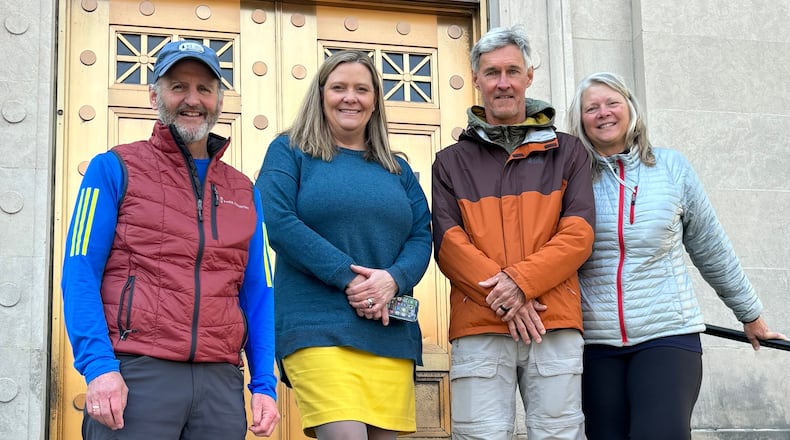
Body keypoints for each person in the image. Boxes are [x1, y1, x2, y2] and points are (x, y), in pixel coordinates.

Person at [61, 40, 280, 439]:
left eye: (204, 89)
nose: (192, 100)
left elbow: (259, 291)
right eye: (178, 86)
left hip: (219, 383)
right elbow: (79, 273)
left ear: (219, 101)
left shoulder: (245, 191)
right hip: (135, 374)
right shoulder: (112, 168)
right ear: (154, 95)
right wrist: (99, 367)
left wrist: (264, 384)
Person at [566, 71, 788, 439]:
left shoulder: (671, 168)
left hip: (667, 335)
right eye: (592, 108)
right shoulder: (571, 179)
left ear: (630, 109)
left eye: (612, 103)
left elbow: (711, 247)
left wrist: (750, 315)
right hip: (595, 342)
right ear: (580, 119)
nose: (603, 113)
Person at [254, 50, 431, 440]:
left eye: (361, 89)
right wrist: (349, 278)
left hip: (389, 333)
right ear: (321, 95)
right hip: (317, 327)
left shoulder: (398, 169)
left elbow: (421, 235)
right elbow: (277, 220)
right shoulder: (290, 151)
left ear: (375, 101)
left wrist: (393, 280)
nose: (350, 98)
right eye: (339, 87)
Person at [431, 26, 595, 440]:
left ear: (529, 76)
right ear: (476, 79)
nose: (502, 83)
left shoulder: (569, 151)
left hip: (551, 321)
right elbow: (448, 244)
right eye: (492, 73)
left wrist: (521, 283)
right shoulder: (449, 162)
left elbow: (578, 234)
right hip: (480, 324)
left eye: (512, 71)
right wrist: (510, 295)